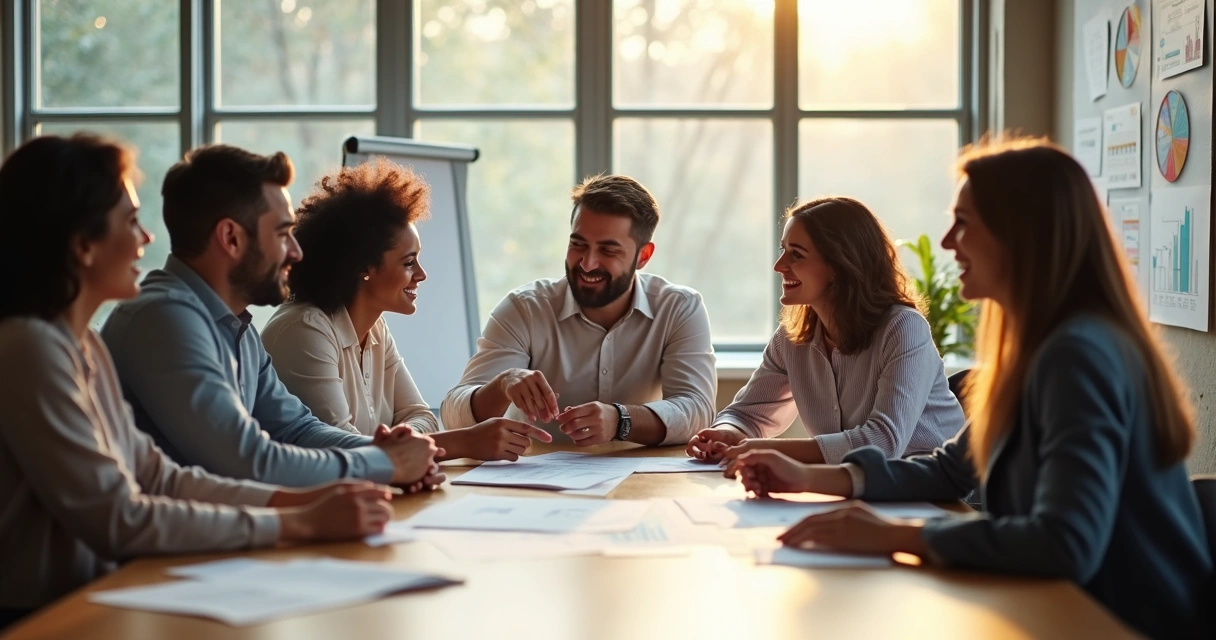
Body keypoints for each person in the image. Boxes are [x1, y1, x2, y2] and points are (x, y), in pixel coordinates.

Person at [725, 138, 1212, 639]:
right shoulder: (1038, 348)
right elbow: (951, 469)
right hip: (1054, 604)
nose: (946, 242)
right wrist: (804, 478)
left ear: (1020, 234)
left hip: (1118, 621)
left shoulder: (1078, 355)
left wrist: (894, 534)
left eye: (964, 223)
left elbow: (1065, 542)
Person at [0, 135, 396, 629]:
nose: (146, 239)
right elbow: (117, 518)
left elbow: (159, 478)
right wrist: (300, 520)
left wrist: (312, 500)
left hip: (98, 597)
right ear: (83, 245)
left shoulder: (84, 346)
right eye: (129, 222)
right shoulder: (29, 348)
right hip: (38, 618)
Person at [100, 144, 442, 488]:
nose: (295, 251)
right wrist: (384, 464)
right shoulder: (164, 319)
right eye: (282, 234)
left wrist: (388, 457)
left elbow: (296, 429)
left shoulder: (237, 328)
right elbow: (246, 458)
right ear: (231, 238)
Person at [264, 160, 552, 461]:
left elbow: (421, 416)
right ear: (363, 267)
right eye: (408, 262)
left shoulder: (374, 328)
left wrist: (401, 448)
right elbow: (339, 452)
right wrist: (461, 443)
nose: (422, 274)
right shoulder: (305, 330)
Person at [440, 174, 716, 447]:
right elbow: (454, 418)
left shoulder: (679, 308)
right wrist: (501, 384)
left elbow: (698, 411)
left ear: (643, 256)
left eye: (608, 250)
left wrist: (621, 420)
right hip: (531, 482)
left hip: (639, 481)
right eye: (578, 244)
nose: (587, 263)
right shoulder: (524, 309)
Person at [686, 197, 965, 465]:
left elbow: (883, 443)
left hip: (935, 498)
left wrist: (760, 450)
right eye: (783, 250)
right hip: (857, 491)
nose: (779, 266)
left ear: (840, 265)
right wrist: (726, 432)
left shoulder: (903, 327)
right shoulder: (792, 337)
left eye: (796, 254)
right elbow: (747, 415)